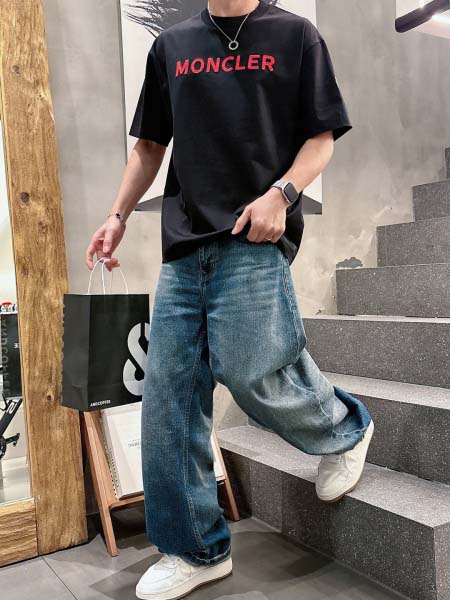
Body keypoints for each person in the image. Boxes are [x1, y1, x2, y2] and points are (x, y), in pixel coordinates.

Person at [86, 1, 374, 599]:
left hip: (254, 233)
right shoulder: (172, 45)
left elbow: (321, 138)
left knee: (251, 369)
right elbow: (149, 146)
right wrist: (117, 216)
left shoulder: (295, 34)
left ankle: (345, 429)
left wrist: (282, 194)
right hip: (184, 244)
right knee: (168, 399)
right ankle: (197, 549)